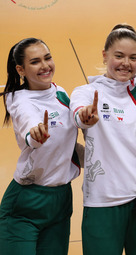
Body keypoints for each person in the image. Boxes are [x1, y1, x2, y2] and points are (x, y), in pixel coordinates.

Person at [70, 24, 136, 255]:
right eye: (119, 56)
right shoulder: (86, 92)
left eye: (133, 57)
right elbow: (78, 116)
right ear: (105, 55)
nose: (126, 63)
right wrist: (85, 116)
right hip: (102, 203)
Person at [0, 38, 81, 255]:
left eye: (47, 58)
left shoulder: (61, 93)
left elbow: (69, 147)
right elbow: (28, 123)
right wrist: (36, 134)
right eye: (35, 61)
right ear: (21, 69)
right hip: (26, 202)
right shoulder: (18, 99)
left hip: (61, 199)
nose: (45, 66)